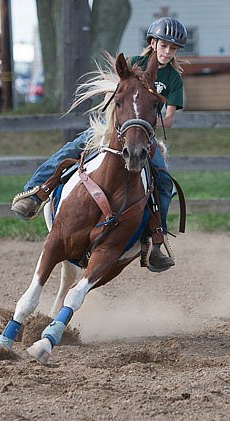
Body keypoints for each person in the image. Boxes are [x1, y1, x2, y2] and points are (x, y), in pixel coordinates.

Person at [10, 17, 186, 273]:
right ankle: (35, 193)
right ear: (153, 43)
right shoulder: (134, 64)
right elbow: (115, 95)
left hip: (145, 136)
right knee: (71, 149)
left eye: (173, 48)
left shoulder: (173, 79)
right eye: (164, 46)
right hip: (116, 129)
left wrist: (150, 117)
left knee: (163, 179)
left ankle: (155, 239)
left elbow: (169, 119)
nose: (168, 52)